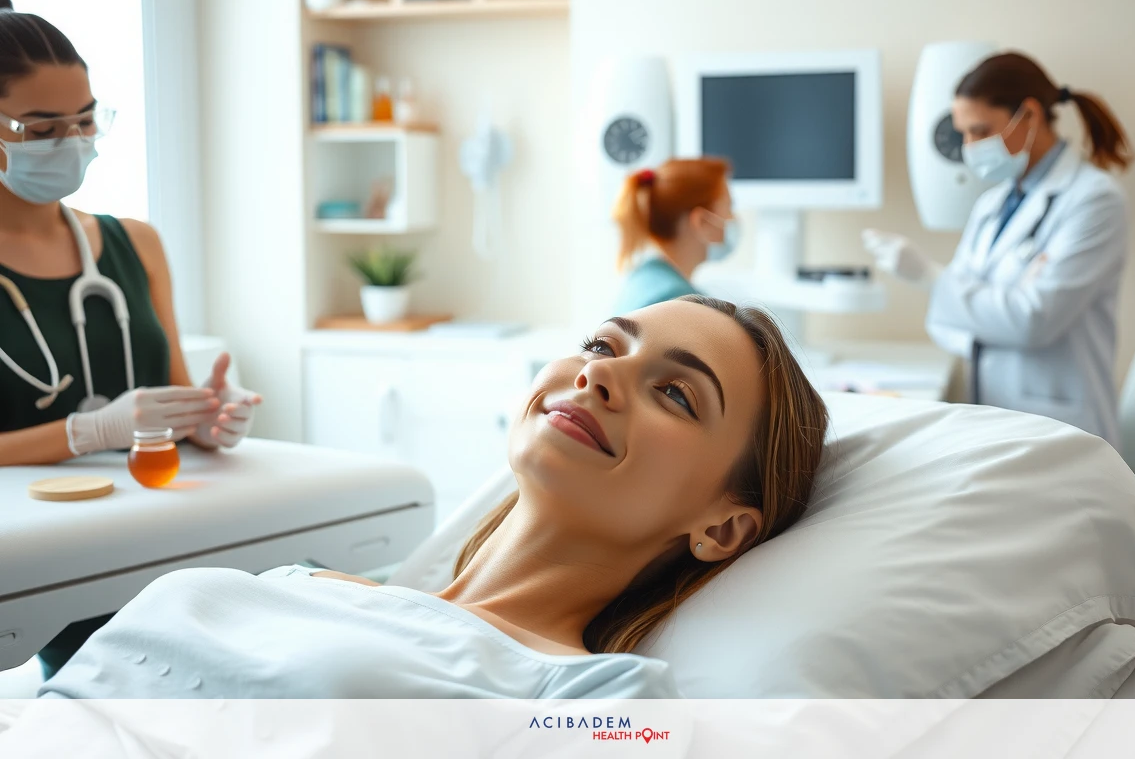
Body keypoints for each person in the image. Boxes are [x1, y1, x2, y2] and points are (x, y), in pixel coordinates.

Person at [39, 296, 829, 698]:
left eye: (678, 394)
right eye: (600, 345)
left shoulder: (595, 695)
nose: (600, 375)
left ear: (723, 528)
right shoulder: (302, 581)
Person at [0, 0, 262, 676]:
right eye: (43, 127)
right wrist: (86, 434)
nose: (74, 140)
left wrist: (206, 417)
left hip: (171, 545)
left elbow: (170, 395)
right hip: (53, 567)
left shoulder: (133, 244)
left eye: (86, 119)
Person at [863, 52, 1132, 446]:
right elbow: (942, 321)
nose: (969, 147)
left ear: (1030, 115)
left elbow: (1033, 321)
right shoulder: (991, 204)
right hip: (997, 416)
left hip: (1062, 430)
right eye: (964, 134)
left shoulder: (1094, 200)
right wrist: (995, 313)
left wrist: (933, 279)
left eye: (980, 130)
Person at [612, 158, 739, 314]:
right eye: (729, 207)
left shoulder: (646, 279)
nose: (733, 218)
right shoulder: (678, 303)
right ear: (701, 221)